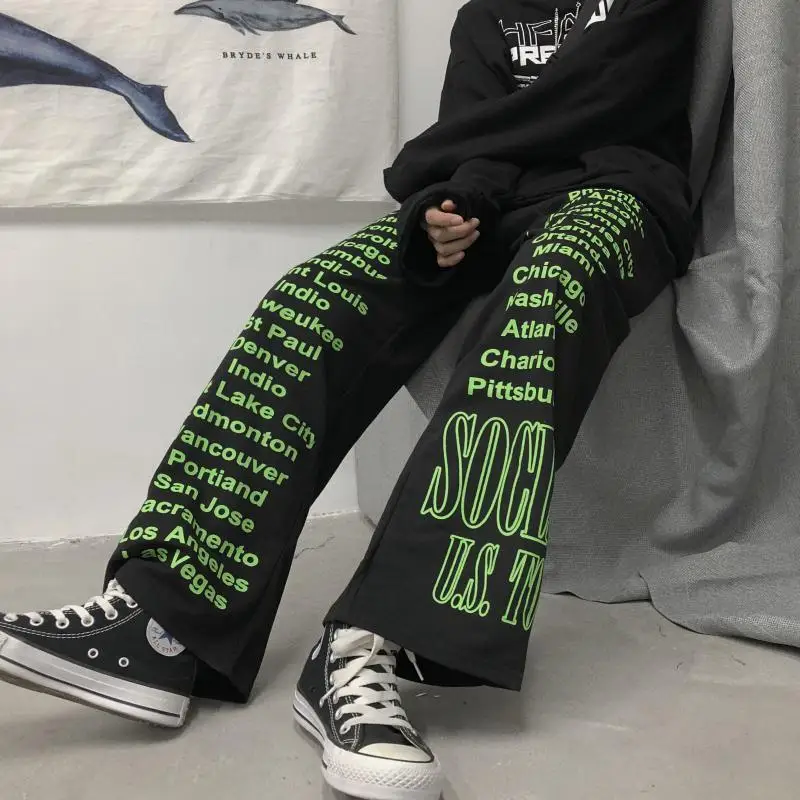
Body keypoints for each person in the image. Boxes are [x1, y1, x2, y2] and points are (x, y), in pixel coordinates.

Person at [0, 1, 699, 799]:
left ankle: (376, 642)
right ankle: (164, 620)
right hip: (499, 204)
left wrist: (437, 160)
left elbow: (604, 99)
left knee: (545, 298)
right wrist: (450, 203)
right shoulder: (486, 14)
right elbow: (475, 136)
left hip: (618, 195)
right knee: (309, 297)